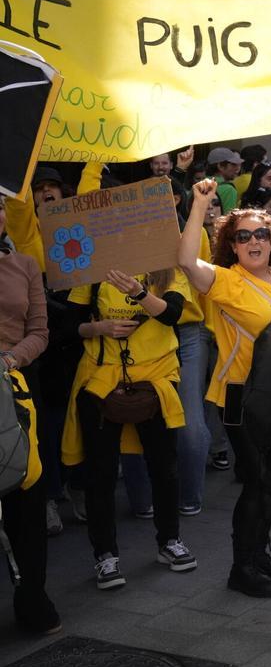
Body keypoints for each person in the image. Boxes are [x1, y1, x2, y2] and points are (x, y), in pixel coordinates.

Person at [178, 180, 271, 598]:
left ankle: (260, 553)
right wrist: (199, 204)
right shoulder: (225, 281)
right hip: (241, 399)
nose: (254, 241)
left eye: (261, 234)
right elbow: (185, 261)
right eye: (243, 236)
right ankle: (242, 567)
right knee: (256, 483)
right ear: (232, 246)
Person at [62, 267, 198, 590]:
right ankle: (105, 555)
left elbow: (172, 315)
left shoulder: (170, 270)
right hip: (101, 380)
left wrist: (139, 292)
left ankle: (170, 541)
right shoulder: (93, 271)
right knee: (101, 473)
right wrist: (100, 328)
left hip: (158, 379)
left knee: (164, 467)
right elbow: (69, 326)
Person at [0, 195, 58, 634]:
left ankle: (33, 600)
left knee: (26, 494)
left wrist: (9, 360)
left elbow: (40, 330)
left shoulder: (23, 265)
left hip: (16, 390)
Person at [207, 147, 243, 213]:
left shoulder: (197, 185)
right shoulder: (228, 189)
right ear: (220, 166)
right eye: (233, 164)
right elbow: (227, 220)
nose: (237, 168)